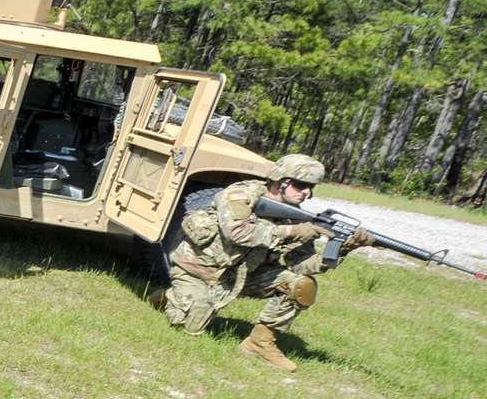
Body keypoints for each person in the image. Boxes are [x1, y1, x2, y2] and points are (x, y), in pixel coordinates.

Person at [157, 154, 372, 371]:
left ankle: (259, 343)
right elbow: (238, 233)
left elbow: (301, 264)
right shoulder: (240, 194)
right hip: (200, 271)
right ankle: (169, 297)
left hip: (243, 276)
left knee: (301, 285)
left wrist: (344, 248)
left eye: (311, 187)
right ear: (282, 181)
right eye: (301, 185)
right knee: (190, 327)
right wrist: (293, 231)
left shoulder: (296, 216)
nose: (307, 192)